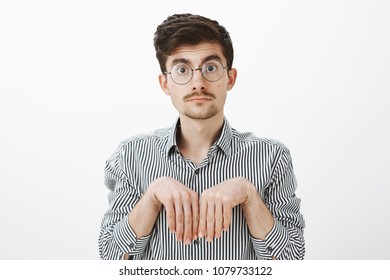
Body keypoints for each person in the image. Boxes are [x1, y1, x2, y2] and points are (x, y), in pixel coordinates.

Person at [99, 13, 305, 260]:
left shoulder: (272, 158)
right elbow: (110, 258)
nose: (198, 82)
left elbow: (293, 262)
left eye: (210, 68)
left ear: (230, 78)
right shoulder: (131, 156)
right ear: (165, 84)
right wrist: (151, 198)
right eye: (182, 69)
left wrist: (251, 198)